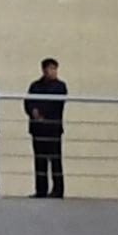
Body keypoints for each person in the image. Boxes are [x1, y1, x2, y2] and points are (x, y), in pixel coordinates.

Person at [26, 58, 69, 197]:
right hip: (38, 128)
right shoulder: (35, 86)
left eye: (54, 68)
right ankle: (41, 190)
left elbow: (56, 104)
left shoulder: (60, 86)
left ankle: (58, 189)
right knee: (39, 160)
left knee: (55, 160)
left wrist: (42, 113)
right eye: (49, 68)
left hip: (52, 128)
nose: (51, 71)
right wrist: (33, 112)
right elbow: (28, 101)